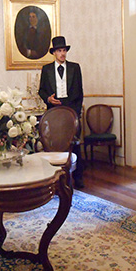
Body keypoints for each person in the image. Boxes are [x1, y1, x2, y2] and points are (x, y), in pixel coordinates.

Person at [39, 36, 85, 188]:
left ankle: (78, 178)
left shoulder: (75, 67)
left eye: (64, 50)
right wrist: (48, 99)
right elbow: (41, 90)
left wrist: (75, 113)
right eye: (59, 51)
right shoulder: (46, 69)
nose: (62, 53)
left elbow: (80, 92)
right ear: (54, 53)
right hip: (54, 110)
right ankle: (54, 179)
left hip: (71, 108)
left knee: (74, 143)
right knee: (54, 143)